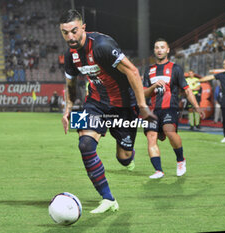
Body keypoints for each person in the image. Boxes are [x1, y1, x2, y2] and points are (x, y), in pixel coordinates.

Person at [59, 10, 156, 214]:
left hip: (123, 106)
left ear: (83, 28)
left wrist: (142, 107)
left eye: (74, 31)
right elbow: (70, 84)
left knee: (124, 158)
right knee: (85, 144)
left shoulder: (102, 45)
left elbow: (132, 71)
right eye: (65, 33)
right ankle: (108, 198)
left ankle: (129, 156)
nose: (70, 37)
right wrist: (67, 110)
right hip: (95, 103)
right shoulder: (70, 55)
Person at [143, 38, 205, 179]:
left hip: (169, 107)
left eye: (162, 47)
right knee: (151, 138)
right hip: (152, 110)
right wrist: (153, 87)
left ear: (168, 50)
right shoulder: (149, 70)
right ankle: (159, 171)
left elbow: (187, 90)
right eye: (157, 47)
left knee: (169, 132)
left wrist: (197, 107)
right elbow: (144, 92)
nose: (159, 50)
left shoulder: (175, 68)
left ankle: (180, 160)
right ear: (154, 50)